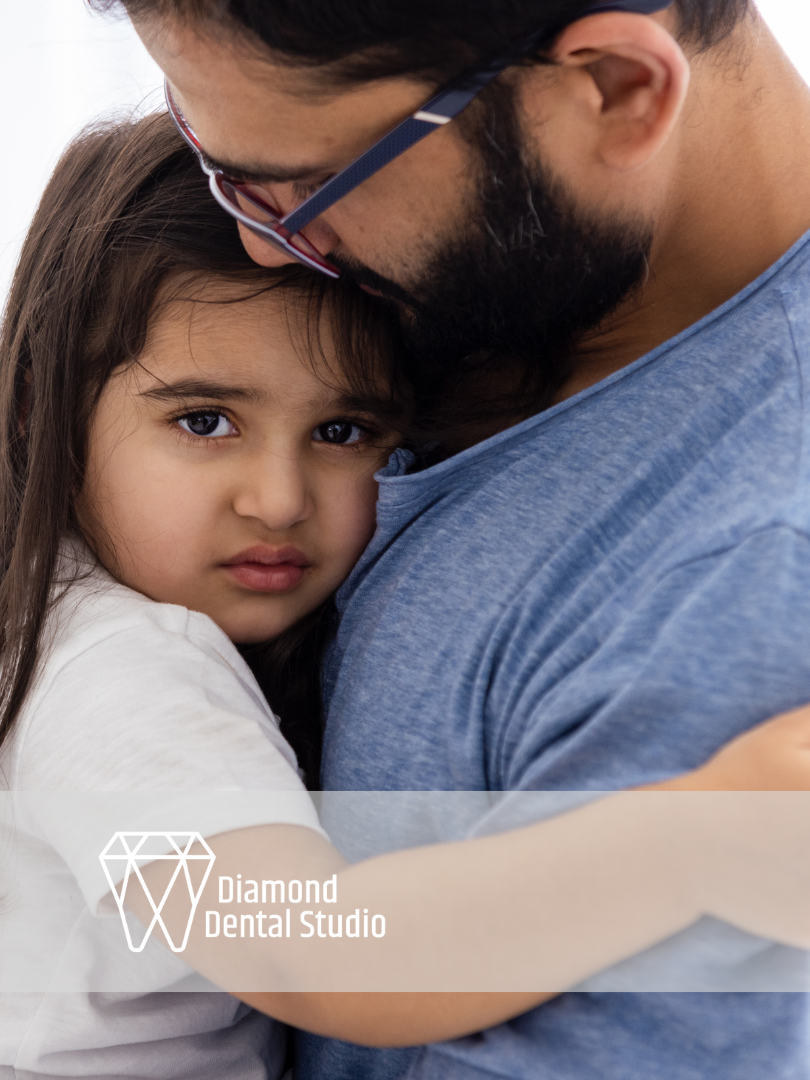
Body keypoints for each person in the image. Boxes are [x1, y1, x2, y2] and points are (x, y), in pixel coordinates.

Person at [10, 107, 810, 1078]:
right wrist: (688, 844)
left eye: (343, 432)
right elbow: (314, 957)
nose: (277, 500)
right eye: (205, 420)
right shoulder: (122, 677)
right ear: (47, 408)